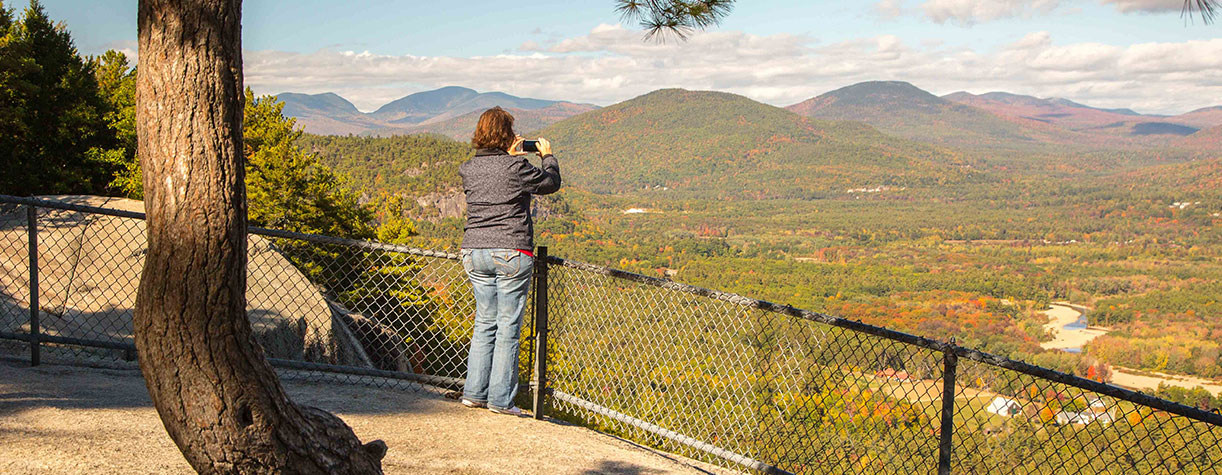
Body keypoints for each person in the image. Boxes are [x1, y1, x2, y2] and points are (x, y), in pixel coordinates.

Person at [458, 106, 560, 415]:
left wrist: (511, 157)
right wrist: (547, 156)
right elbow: (550, 183)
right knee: (507, 328)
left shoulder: (467, 168)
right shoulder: (517, 167)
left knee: (484, 323)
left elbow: (492, 180)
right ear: (507, 134)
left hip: (474, 252)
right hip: (511, 252)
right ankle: (501, 401)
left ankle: (474, 392)